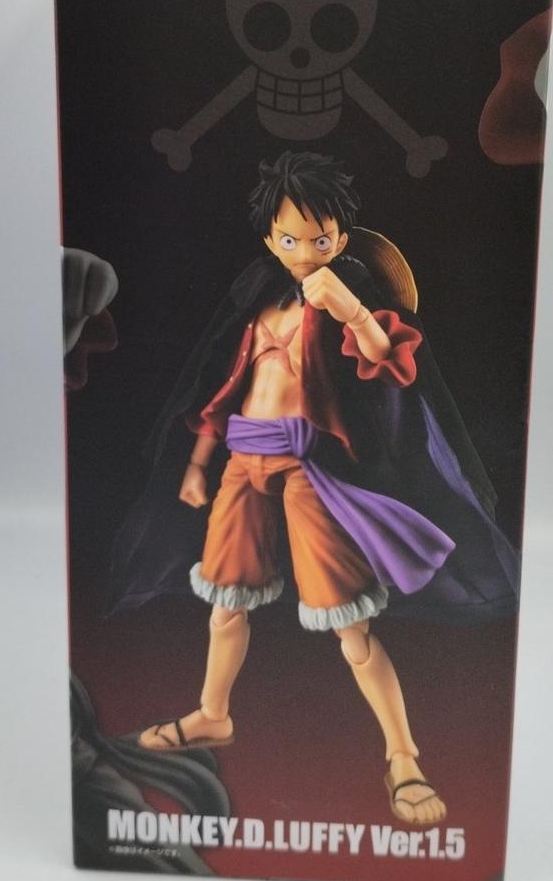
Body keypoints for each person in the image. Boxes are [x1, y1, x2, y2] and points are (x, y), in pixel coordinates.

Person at [134, 150, 519, 824]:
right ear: (269, 240)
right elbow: (225, 392)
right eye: (289, 240)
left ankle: (403, 756)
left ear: (340, 238)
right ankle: (213, 714)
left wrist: (351, 309)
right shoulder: (259, 304)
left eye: (320, 240)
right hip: (242, 463)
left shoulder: (345, 298)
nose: (305, 251)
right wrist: (197, 464)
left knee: (350, 624)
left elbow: (391, 362)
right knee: (225, 605)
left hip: (306, 468)